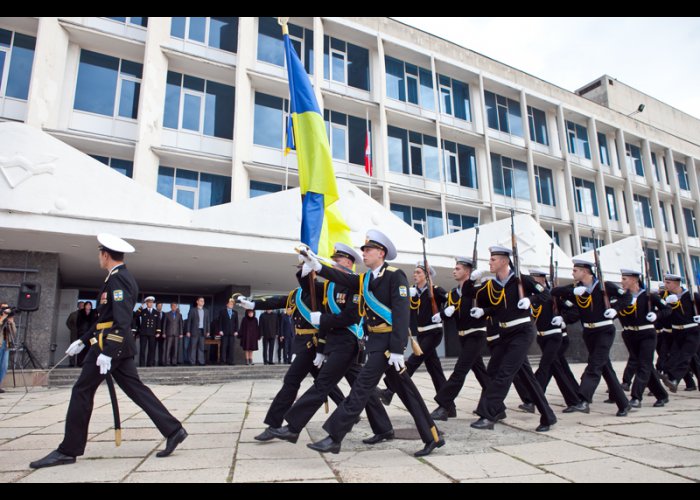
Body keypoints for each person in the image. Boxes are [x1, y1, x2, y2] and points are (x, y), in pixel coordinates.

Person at [29, 233, 186, 469]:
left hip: (110, 346)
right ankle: (174, 430)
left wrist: (109, 351)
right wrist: (82, 340)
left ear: (105, 254)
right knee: (135, 390)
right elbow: (105, 317)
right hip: (107, 344)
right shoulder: (115, 277)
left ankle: (68, 450)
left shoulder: (119, 279)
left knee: (82, 390)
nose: (98, 258)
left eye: (99, 254)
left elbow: (122, 320)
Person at [301, 229, 445, 457]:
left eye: (368, 250)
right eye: (364, 250)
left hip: (388, 344)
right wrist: (317, 266)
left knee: (360, 388)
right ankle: (432, 436)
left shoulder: (394, 275)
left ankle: (334, 437)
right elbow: (343, 277)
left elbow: (400, 313)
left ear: (381, 253)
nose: (364, 254)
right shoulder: (365, 279)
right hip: (376, 342)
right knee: (408, 392)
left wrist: (398, 349)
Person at [266, 243, 393, 447]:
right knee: (362, 388)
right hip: (335, 344)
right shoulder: (331, 286)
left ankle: (293, 427)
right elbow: (309, 288)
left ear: (349, 263)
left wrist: (323, 320)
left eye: (338, 259)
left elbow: (351, 316)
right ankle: (384, 428)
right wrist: (307, 268)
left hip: (348, 342)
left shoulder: (355, 285)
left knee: (322, 385)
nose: (334, 261)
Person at [237, 268, 346, 439]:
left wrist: (322, 349)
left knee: (291, 381)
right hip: (301, 343)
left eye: (308, 272)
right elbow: (277, 301)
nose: (305, 275)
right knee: (325, 383)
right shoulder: (296, 294)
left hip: (314, 343)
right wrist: (253, 304)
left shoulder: (323, 291)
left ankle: (274, 425)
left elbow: (327, 319)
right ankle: (348, 411)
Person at [468, 247, 557, 432]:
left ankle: (488, 415)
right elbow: (485, 302)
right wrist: (483, 309)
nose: (490, 262)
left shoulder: (521, 279)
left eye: (493, 259)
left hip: (522, 332)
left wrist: (531, 300)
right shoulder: (494, 284)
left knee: (504, 373)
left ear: (504, 261)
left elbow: (546, 294)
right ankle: (548, 416)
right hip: (505, 333)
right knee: (516, 376)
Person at [551, 258, 632, 416]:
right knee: (605, 368)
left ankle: (583, 399)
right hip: (589, 333)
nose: (572, 273)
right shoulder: (577, 288)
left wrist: (616, 309)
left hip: (604, 331)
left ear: (585, 271)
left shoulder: (604, 286)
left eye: (575, 270)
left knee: (594, 364)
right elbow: (554, 292)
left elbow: (626, 298)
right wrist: (572, 292)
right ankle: (623, 403)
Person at [377, 262, 448, 406]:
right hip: (421, 334)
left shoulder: (436, 290)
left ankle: (390, 389)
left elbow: (453, 302)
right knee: (435, 370)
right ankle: (448, 405)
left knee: (413, 362)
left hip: (433, 333)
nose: (415, 275)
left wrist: (443, 314)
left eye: (419, 273)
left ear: (427, 276)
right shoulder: (413, 292)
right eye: (414, 272)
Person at [430, 257, 489, 421]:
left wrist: (483, 310)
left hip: (476, 334)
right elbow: (453, 314)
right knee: (482, 374)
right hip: (463, 336)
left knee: (459, 371)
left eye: (458, 268)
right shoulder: (454, 293)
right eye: (454, 268)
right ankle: (496, 406)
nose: (454, 271)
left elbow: (491, 306)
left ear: (468, 272)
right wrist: (442, 315)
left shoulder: (478, 289)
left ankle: (444, 406)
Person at [527, 268, 585, 413]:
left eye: (534, 279)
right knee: (559, 368)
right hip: (542, 337)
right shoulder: (533, 297)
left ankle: (532, 399)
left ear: (541, 280)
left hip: (556, 337)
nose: (532, 281)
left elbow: (574, 311)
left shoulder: (554, 295)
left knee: (546, 366)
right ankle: (576, 397)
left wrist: (564, 319)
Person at [617, 268, 669, 407]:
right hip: (630, 335)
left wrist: (656, 315)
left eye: (624, 279)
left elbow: (667, 309)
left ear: (634, 280)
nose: (622, 282)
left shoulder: (648, 296)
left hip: (646, 334)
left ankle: (636, 397)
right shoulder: (623, 297)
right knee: (645, 366)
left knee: (644, 365)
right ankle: (662, 395)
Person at [659, 273, 700, 393]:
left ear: (676, 284)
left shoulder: (692, 295)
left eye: (668, 283)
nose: (665, 285)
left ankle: (674, 379)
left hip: (692, 330)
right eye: (665, 282)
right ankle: (671, 377)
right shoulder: (665, 296)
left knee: (685, 356)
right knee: (675, 355)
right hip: (676, 331)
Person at [136, 296, 159, 367]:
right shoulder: (143, 311)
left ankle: (150, 363)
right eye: (149, 302)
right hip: (144, 333)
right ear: (146, 303)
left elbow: (158, 323)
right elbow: (136, 315)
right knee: (142, 349)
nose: (151, 304)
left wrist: (158, 332)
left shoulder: (156, 312)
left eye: (152, 302)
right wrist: (140, 307)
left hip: (152, 333)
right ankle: (142, 364)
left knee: (151, 349)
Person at [185, 297, 210, 366]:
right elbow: (189, 321)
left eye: (203, 301)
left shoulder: (206, 311)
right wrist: (188, 331)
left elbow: (207, 322)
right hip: (194, 331)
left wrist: (208, 331)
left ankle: (201, 361)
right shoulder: (192, 310)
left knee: (201, 347)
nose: (202, 302)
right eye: (201, 301)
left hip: (203, 331)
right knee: (193, 347)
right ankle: (192, 362)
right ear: (197, 302)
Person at [0, 304, 17, 393]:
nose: (6, 310)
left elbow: (14, 333)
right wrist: (2, 318)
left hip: (6, 344)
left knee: (4, 366)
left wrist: (11, 322)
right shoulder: (1, 318)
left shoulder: (8, 319)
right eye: (3, 308)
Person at [217, 298, 239, 365]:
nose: (231, 305)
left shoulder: (235, 312)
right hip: (224, 332)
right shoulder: (222, 312)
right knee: (223, 347)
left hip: (232, 332)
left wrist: (236, 331)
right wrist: (220, 330)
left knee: (231, 347)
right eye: (230, 304)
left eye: (232, 304)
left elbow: (236, 322)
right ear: (227, 304)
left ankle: (230, 361)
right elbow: (220, 322)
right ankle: (223, 361)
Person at [75, 301, 96, 367]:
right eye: (87, 305)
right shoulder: (81, 313)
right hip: (82, 334)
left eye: (90, 305)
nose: (88, 306)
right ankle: (80, 363)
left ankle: (90, 363)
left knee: (93, 347)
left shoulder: (94, 313)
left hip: (92, 334)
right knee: (81, 348)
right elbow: (78, 323)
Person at [65, 302, 84, 367]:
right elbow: (68, 323)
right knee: (73, 347)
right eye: (81, 305)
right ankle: (72, 363)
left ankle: (80, 363)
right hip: (74, 334)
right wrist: (73, 329)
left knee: (81, 347)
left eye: (83, 305)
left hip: (83, 335)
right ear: (78, 306)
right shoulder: (73, 314)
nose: (82, 307)